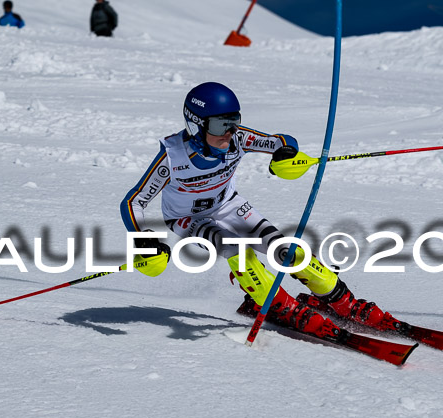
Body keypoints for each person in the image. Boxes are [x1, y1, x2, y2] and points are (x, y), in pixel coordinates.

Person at [120, 82, 409, 339]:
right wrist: (144, 242)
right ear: (197, 125)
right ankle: (280, 306)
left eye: (235, 122)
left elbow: (281, 142)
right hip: (188, 219)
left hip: (229, 205)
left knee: (285, 250)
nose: (230, 133)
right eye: (221, 126)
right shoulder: (172, 157)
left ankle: (340, 301)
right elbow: (134, 201)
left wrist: (286, 154)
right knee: (236, 249)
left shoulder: (238, 139)